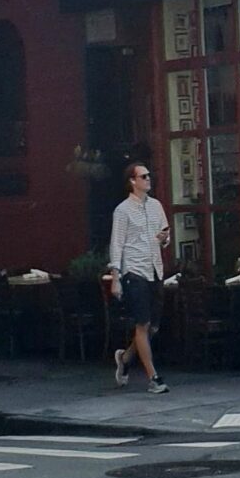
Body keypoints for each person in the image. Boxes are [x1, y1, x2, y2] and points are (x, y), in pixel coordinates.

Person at [104, 159, 171, 392]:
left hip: (155, 268)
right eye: (144, 176)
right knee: (142, 324)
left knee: (152, 327)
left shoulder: (156, 206)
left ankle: (124, 359)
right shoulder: (122, 211)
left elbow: (165, 234)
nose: (148, 179)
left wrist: (165, 239)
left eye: (149, 175)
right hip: (134, 270)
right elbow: (117, 244)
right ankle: (153, 378)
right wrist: (116, 277)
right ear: (132, 181)